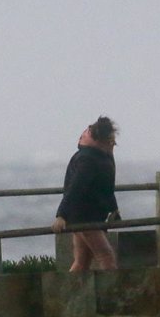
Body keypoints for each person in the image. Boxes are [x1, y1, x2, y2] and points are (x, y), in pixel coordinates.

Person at [51, 116, 120, 271]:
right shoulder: (89, 159)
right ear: (102, 140)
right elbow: (75, 188)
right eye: (110, 140)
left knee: (82, 261)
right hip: (84, 217)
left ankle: (69, 293)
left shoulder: (100, 156)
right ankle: (112, 293)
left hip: (85, 216)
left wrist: (113, 208)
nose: (113, 143)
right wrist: (61, 215)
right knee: (106, 256)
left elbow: (106, 187)